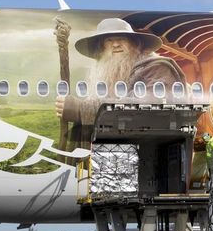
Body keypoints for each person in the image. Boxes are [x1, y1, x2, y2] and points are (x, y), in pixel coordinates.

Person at [56, 17, 187, 149]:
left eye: (122, 38)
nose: (115, 44)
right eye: (109, 40)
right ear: (101, 47)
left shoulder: (157, 68)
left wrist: (81, 109)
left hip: (151, 151)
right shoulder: (107, 74)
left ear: (135, 43)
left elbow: (146, 108)